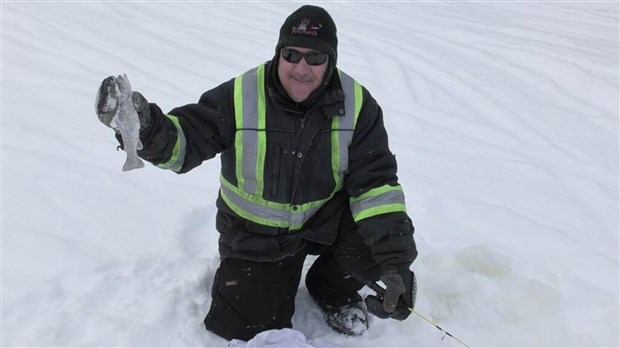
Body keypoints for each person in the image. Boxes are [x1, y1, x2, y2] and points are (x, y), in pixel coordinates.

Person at [96, 4, 418, 341]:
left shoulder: (357, 105)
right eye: (292, 54)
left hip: (324, 222)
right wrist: (146, 129)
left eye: (316, 57)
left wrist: (396, 264)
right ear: (279, 54)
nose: (301, 67)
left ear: (330, 61)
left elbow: (377, 187)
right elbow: (184, 144)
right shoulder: (240, 95)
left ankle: (331, 289)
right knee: (240, 326)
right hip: (258, 236)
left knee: (377, 241)